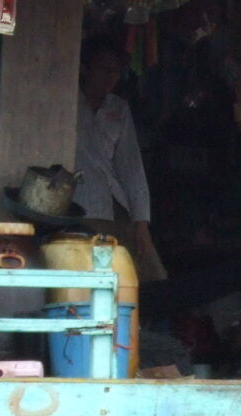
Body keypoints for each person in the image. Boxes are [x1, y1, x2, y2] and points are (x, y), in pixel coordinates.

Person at [75, 35, 167, 284]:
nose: (111, 76)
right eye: (105, 69)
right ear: (84, 68)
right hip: (79, 206)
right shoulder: (67, 102)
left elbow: (131, 167)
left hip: (115, 204)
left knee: (150, 275)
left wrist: (141, 223)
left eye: (116, 71)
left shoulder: (119, 108)